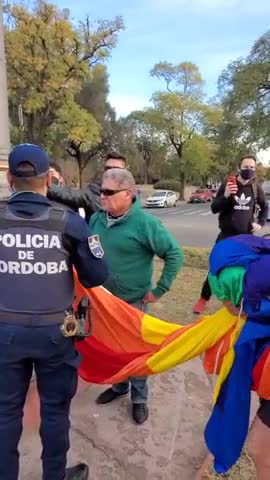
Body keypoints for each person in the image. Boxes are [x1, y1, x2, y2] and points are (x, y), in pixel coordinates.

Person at [0, 144, 108, 480]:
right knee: (55, 412)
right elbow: (97, 276)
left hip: (4, 336)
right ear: (49, 179)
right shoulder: (70, 224)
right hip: (55, 337)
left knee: (4, 413)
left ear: (9, 179)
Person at [90, 168, 183, 424]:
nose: (102, 196)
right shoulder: (97, 219)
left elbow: (175, 255)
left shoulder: (146, 224)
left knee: (135, 352)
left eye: (109, 192)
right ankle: (120, 387)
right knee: (111, 349)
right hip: (104, 301)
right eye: (101, 191)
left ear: (129, 194)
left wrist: (159, 290)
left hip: (134, 303)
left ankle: (139, 398)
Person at [193, 154, 268, 314]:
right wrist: (226, 195)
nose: (249, 170)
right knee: (215, 267)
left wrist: (260, 223)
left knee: (247, 269)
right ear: (239, 168)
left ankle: (241, 300)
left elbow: (265, 207)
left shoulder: (256, 187)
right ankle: (203, 298)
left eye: (252, 168)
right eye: (246, 167)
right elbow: (214, 208)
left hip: (247, 238)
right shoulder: (228, 184)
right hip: (226, 236)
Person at [47, 152, 127, 222]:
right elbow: (70, 194)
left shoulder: (132, 198)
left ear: (125, 172)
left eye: (116, 169)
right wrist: (43, 185)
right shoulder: (93, 193)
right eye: (108, 168)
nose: (111, 172)